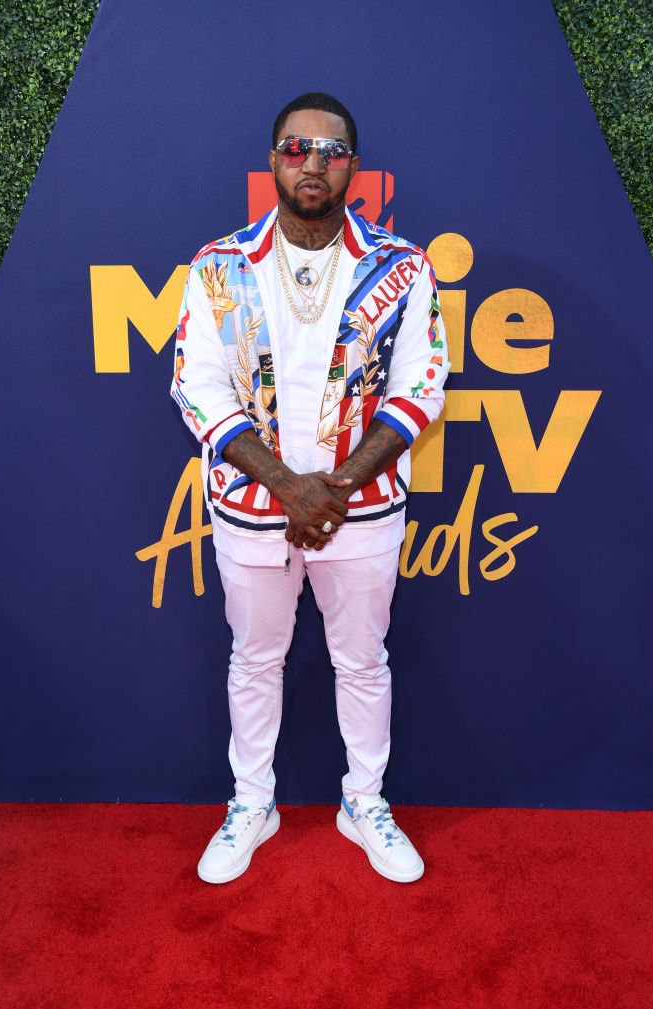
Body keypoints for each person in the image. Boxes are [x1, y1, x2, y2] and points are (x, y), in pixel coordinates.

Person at [171, 92, 449, 885]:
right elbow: (198, 387)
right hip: (252, 511)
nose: (313, 163)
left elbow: (421, 386)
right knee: (254, 659)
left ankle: (362, 803)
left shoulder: (401, 267)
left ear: (352, 166)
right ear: (272, 161)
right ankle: (250, 803)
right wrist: (289, 487)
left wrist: (336, 489)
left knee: (362, 661)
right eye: (297, 148)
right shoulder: (218, 266)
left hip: (361, 513)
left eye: (330, 151)